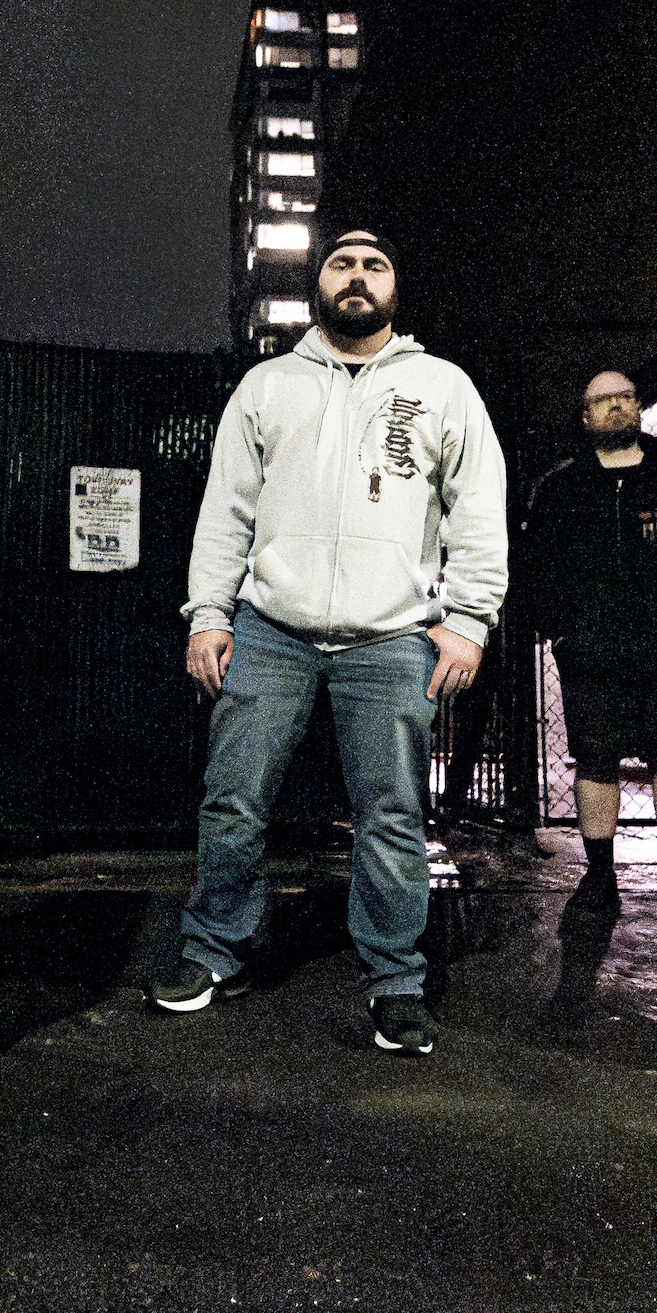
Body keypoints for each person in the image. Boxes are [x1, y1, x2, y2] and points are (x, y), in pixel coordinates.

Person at [155, 230, 508, 1055]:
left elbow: (478, 510)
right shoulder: (267, 385)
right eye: (341, 264)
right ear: (319, 285)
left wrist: (468, 621)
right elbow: (225, 511)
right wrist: (209, 614)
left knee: (392, 814)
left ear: (395, 288)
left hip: (392, 636)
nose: (357, 277)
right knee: (234, 799)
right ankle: (214, 952)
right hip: (270, 630)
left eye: (374, 266)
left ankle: (395, 981)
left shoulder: (442, 386)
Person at [514, 371, 657, 924]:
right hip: (590, 654)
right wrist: (561, 633)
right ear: (586, 416)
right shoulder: (561, 490)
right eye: (603, 401)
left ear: (638, 407)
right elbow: (535, 568)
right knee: (596, 762)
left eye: (625, 397)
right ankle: (599, 877)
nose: (616, 407)